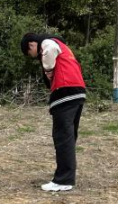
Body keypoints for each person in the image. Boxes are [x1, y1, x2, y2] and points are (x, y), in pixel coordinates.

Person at [20, 32, 87, 193]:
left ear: (31, 45)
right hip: (78, 91)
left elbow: (49, 49)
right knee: (69, 138)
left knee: (62, 137)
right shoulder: (63, 46)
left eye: (29, 52)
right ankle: (67, 176)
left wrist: (48, 71)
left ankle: (63, 180)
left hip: (65, 91)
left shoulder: (47, 43)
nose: (32, 56)